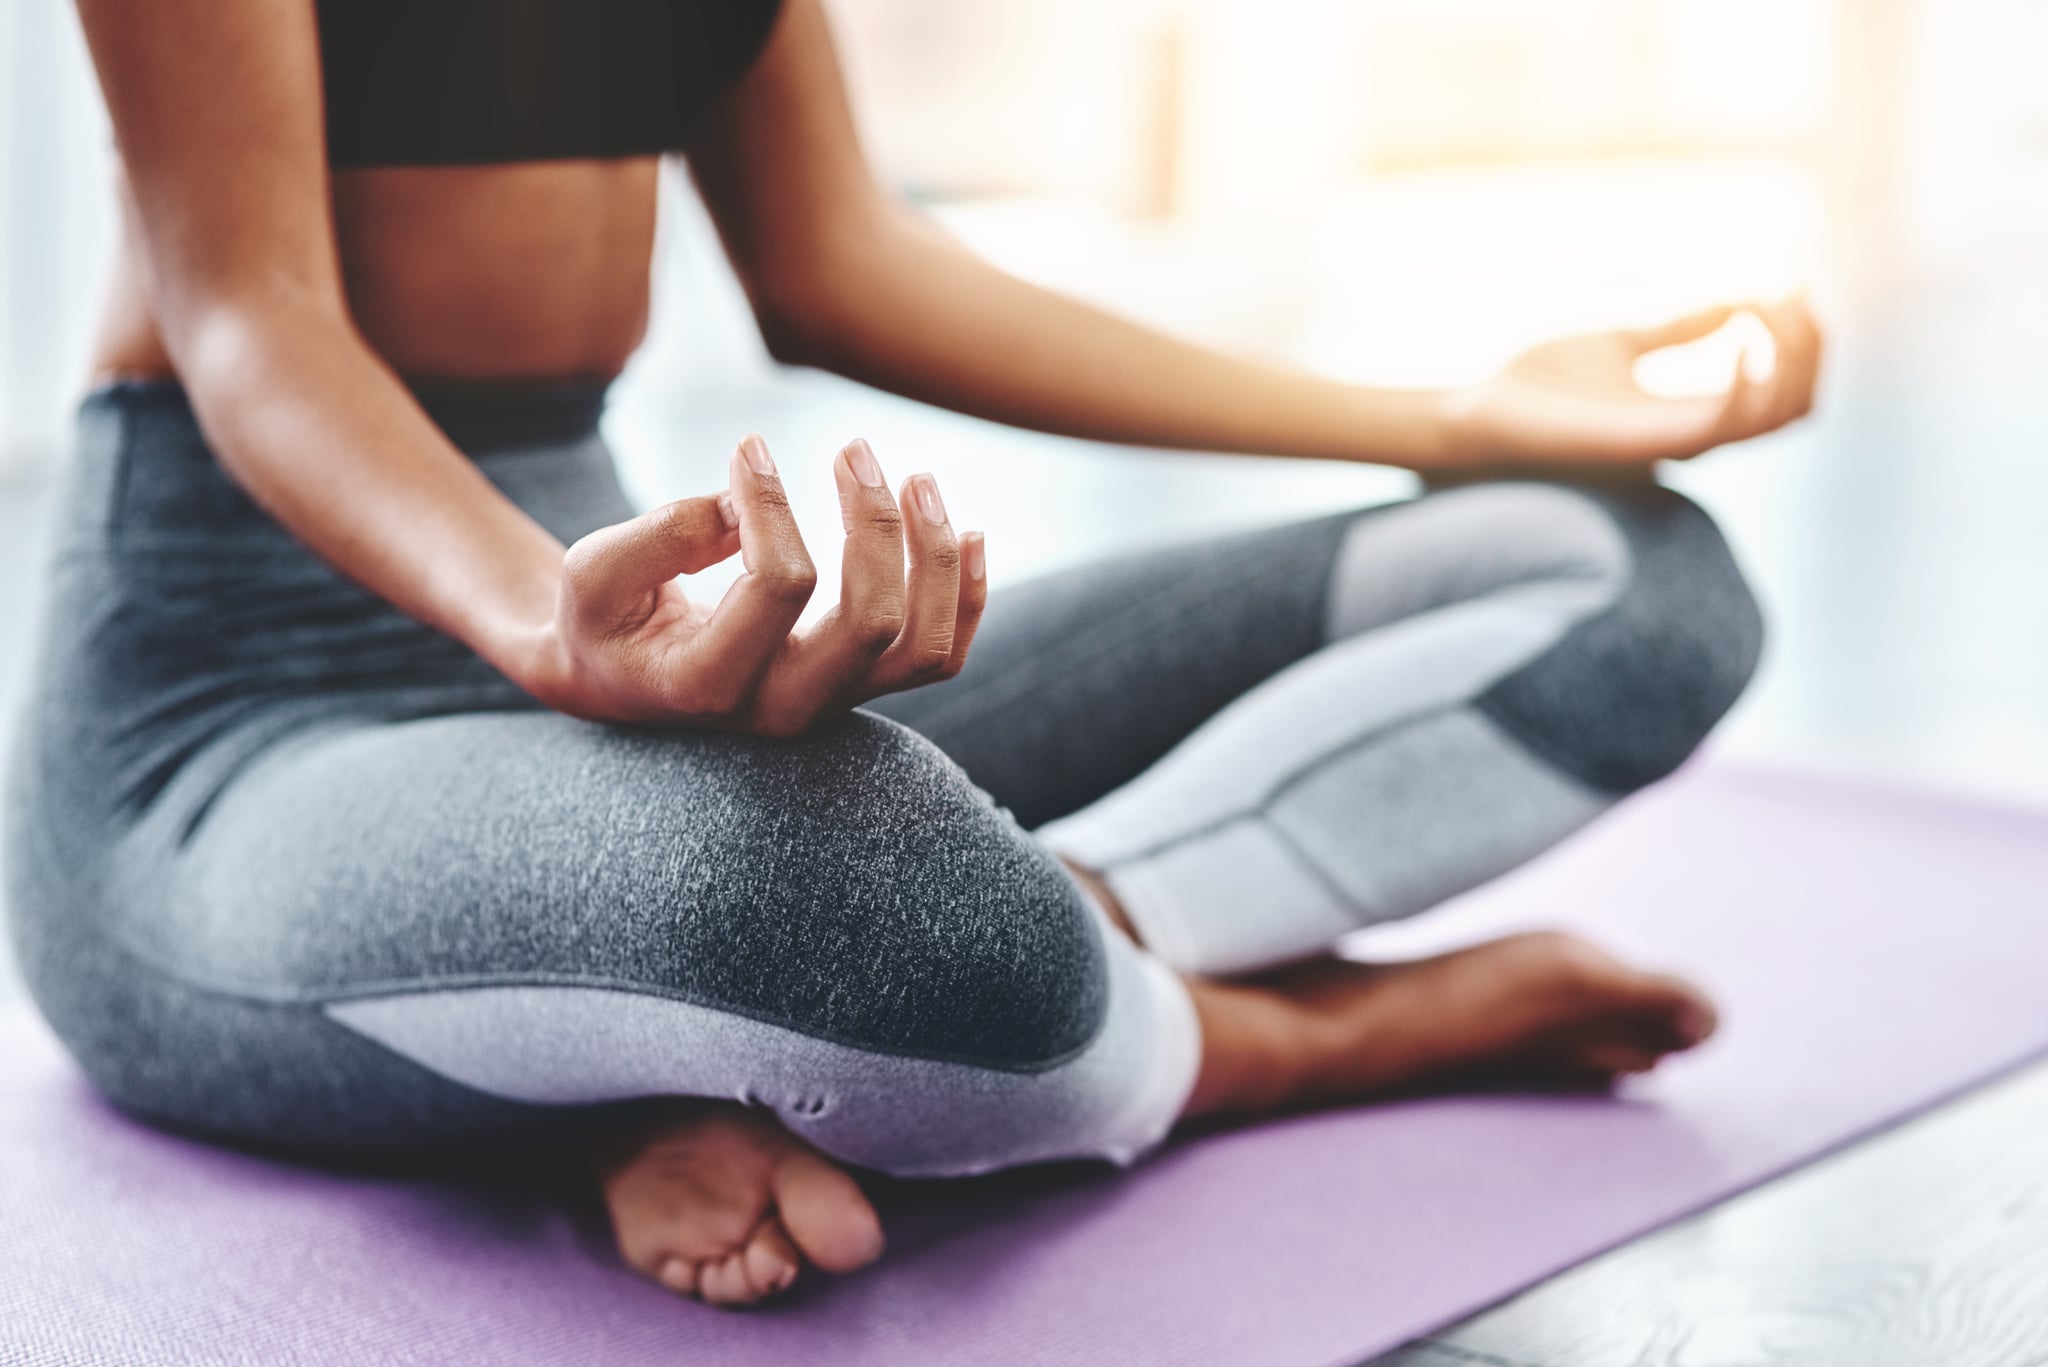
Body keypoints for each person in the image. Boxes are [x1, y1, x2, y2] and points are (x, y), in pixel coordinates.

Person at [6, 0, 1818, 1309]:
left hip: (594, 662)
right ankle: (1287, 1040)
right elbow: (251, 327)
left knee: (1620, 570)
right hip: (227, 755)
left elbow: (843, 261)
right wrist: (537, 618)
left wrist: (1442, 416)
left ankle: (709, 1053)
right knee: (874, 893)